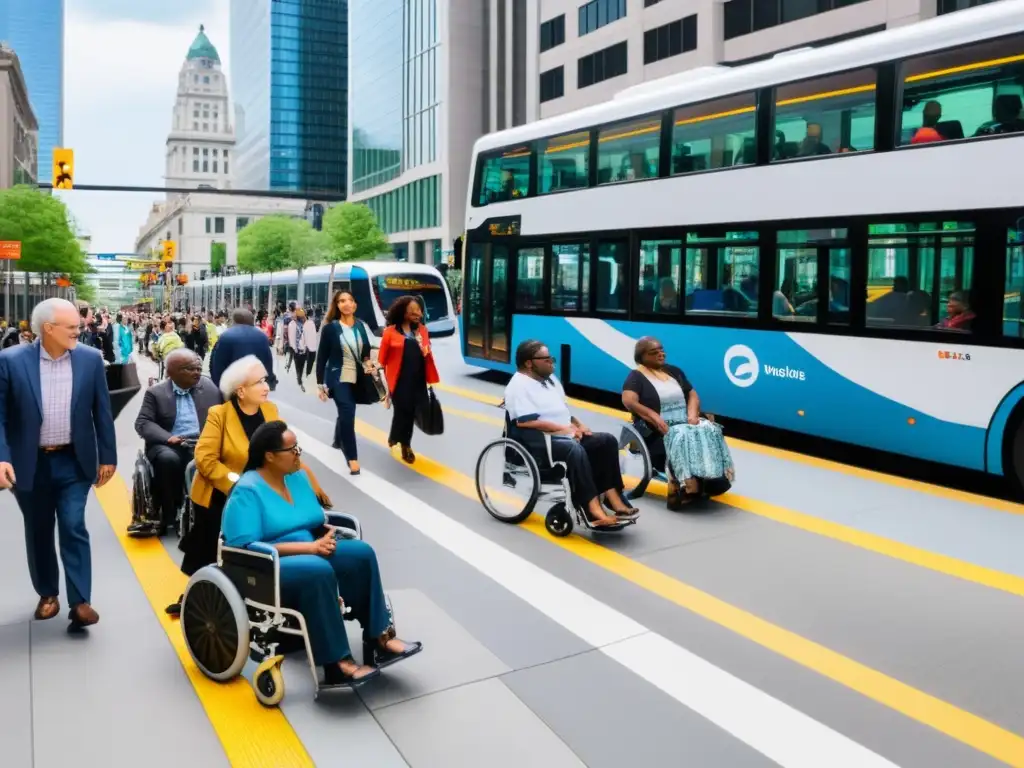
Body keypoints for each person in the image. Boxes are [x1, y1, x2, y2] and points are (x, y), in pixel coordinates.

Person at [222, 422, 422, 684]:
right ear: (269, 456)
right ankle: (337, 663)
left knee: (362, 553)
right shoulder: (247, 491)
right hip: (269, 567)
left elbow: (313, 518)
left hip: (311, 550)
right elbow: (244, 548)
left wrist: (324, 534)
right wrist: (310, 548)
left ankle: (379, 639)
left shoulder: (297, 478)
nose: (298, 454)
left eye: (298, 448)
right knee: (318, 569)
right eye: (291, 449)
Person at [168, 355, 329, 616]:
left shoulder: (270, 412)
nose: (266, 386)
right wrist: (237, 483)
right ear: (241, 391)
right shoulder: (219, 415)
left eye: (266, 380)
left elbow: (283, 452)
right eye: (260, 382)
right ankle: (198, 591)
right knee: (215, 530)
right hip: (224, 492)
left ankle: (275, 585)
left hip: (265, 489)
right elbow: (205, 459)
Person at [0, 298, 116, 628]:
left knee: (73, 524)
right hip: (29, 462)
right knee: (38, 528)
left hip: (74, 460)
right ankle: (48, 594)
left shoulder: (91, 360)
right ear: (48, 329)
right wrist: (1, 457)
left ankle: (80, 602)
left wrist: (107, 456)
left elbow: (102, 411)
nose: (80, 330)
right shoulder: (10, 361)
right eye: (72, 326)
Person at [504, 340, 637, 526]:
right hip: (538, 441)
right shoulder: (518, 385)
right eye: (546, 359)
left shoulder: (550, 381)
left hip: (563, 434)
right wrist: (564, 430)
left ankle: (613, 497)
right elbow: (526, 422)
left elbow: (563, 411)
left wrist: (579, 425)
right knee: (575, 450)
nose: (552, 362)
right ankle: (592, 510)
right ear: (529, 363)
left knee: (606, 441)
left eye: (552, 358)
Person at [621, 337, 733, 507]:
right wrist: (653, 416)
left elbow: (692, 394)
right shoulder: (636, 376)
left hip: (685, 422)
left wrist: (692, 415)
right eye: (654, 352)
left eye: (661, 350)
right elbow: (629, 401)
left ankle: (714, 478)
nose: (661, 354)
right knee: (679, 436)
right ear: (642, 356)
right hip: (656, 430)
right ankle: (685, 486)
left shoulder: (674, 371)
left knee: (710, 431)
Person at [132, 349, 222, 536]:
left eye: (198, 367)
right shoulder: (155, 393)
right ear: (171, 372)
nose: (197, 372)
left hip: (202, 442)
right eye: (190, 369)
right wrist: (168, 437)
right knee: (168, 460)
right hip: (169, 444)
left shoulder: (210, 388)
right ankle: (168, 513)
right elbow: (143, 423)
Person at [316, 290, 375, 475]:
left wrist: (369, 363)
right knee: (348, 414)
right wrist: (320, 384)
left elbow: (366, 352)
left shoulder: (361, 326)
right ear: (337, 305)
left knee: (345, 413)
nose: (346, 304)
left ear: (355, 304)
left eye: (350, 300)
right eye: (342, 301)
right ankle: (352, 458)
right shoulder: (330, 328)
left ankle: (338, 438)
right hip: (338, 378)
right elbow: (322, 357)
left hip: (359, 377)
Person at [377, 296, 439, 464]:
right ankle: (402, 442)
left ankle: (404, 443)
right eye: (413, 311)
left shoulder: (422, 330)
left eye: (419, 310)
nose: (417, 313)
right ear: (403, 312)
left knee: (410, 412)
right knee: (402, 411)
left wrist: (423, 347)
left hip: (418, 380)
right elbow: (382, 359)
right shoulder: (390, 332)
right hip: (398, 380)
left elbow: (427, 352)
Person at [209, 308, 278, 392]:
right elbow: (268, 362)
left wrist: (218, 385)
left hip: (233, 387)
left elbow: (217, 364)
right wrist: (270, 382)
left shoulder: (226, 336)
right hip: (255, 386)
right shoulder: (262, 337)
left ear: (234, 320)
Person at [286, 308, 317, 391]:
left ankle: (302, 382)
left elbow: (311, 338)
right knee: (300, 368)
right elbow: (292, 339)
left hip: (303, 351)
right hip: (301, 351)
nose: (302, 319)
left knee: (301, 368)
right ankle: (301, 382)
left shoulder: (306, 324)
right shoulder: (295, 325)